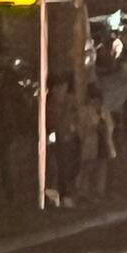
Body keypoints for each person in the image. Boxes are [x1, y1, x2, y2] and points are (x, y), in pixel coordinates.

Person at [0, 67, 28, 203]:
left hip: (2, 131)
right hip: (7, 131)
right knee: (6, 163)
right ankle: (8, 193)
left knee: (1, 163)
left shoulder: (3, 93)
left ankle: (1, 194)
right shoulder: (14, 93)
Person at [46, 75, 81, 207]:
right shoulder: (51, 103)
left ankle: (66, 194)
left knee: (70, 167)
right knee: (59, 167)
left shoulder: (70, 100)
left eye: (64, 86)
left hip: (71, 137)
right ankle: (60, 195)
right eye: (59, 87)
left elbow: (76, 116)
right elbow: (52, 122)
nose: (61, 89)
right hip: (58, 138)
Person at [79, 83, 116, 202]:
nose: (96, 102)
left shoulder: (104, 111)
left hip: (103, 143)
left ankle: (99, 192)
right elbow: (82, 128)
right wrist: (93, 128)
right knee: (89, 168)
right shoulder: (85, 111)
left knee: (102, 169)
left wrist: (105, 127)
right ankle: (84, 192)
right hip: (91, 143)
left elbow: (110, 125)